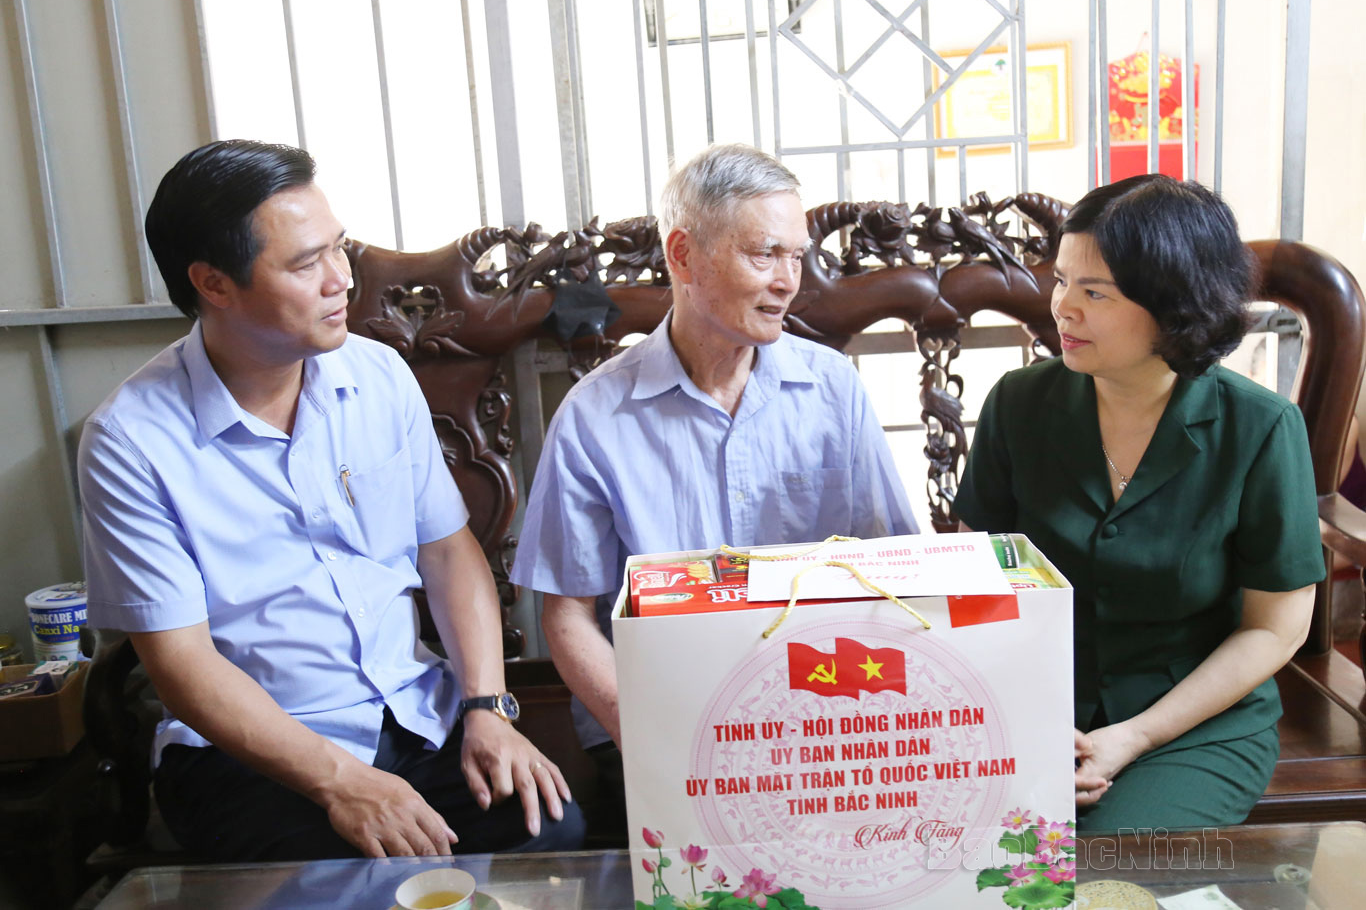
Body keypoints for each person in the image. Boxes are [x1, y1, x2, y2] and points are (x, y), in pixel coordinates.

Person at [77, 140, 584, 861]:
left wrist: (486, 707)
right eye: (304, 262)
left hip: (412, 713)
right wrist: (343, 781)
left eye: (339, 249)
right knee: (350, 878)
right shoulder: (131, 441)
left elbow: (446, 550)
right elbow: (182, 665)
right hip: (251, 753)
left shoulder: (376, 375)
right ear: (213, 283)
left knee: (548, 827)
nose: (341, 279)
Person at [510, 143, 918, 828]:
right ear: (684, 255)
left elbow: (894, 570)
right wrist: (653, 735)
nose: (790, 280)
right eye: (765, 254)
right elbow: (568, 616)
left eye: (798, 254)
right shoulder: (595, 415)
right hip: (660, 720)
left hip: (821, 717)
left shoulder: (830, 389)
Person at [955, 174, 1323, 831]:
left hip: (1190, 722)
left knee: (1101, 870)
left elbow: (1276, 625)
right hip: (1029, 708)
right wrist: (1023, 720)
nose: (1062, 307)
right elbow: (972, 581)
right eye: (1061, 279)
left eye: (1094, 292)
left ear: (1176, 305)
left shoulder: (1260, 429)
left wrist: (1135, 735)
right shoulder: (1017, 404)